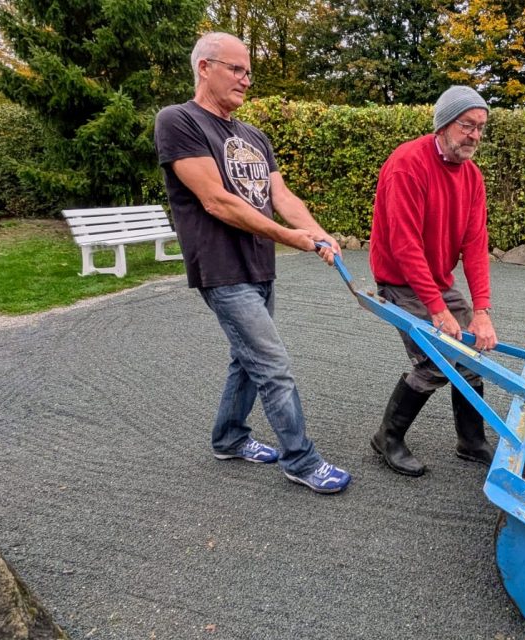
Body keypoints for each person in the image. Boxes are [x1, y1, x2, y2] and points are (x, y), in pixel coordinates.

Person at [153, 32, 350, 494]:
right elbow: (216, 201)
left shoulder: (253, 135)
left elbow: (280, 195)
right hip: (220, 268)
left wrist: (318, 233)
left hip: (259, 265)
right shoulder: (178, 121)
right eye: (236, 69)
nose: (245, 80)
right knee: (272, 365)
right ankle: (301, 460)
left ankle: (229, 437)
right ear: (205, 68)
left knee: (246, 360)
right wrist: (290, 238)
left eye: (248, 72)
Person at [367, 85, 498, 477]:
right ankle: (387, 438)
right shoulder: (408, 164)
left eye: (480, 127)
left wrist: (482, 311)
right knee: (436, 359)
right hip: (400, 280)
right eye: (467, 125)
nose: (474, 135)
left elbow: (475, 246)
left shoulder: (472, 177)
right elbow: (405, 247)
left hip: (437, 280)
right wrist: (438, 310)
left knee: (471, 354)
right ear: (443, 124)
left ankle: (471, 440)